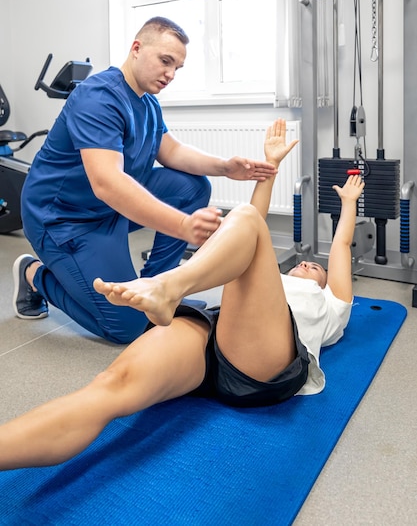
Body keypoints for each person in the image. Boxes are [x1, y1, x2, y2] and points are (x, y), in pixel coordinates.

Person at [0, 119, 364, 471]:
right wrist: (270, 164)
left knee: (248, 220)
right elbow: (252, 225)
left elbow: (341, 245)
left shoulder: (331, 305)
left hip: (265, 364)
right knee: (109, 388)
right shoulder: (269, 280)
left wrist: (349, 202)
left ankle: (167, 286)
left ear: (324, 282)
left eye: (315, 269)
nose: (305, 267)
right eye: (302, 265)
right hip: (214, 333)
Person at [12, 16, 277, 344]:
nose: (170, 74)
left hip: (107, 211)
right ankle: (34, 274)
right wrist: (181, 226)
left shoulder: (147, 101)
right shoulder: (98, 97)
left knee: (192, 186)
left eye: (177, 68)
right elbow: (107, 183)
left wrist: (224, 166)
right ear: (136, 49)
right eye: (165, 61)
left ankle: (160, 288)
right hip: (63, 220)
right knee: (126, 327)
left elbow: (170, 151)